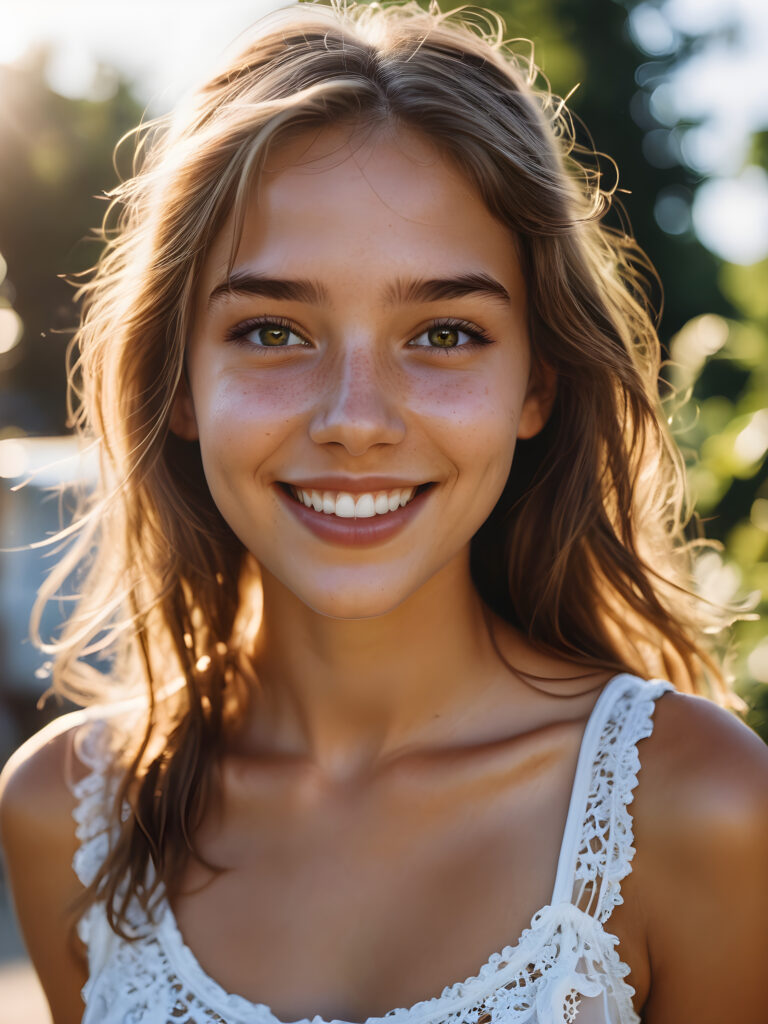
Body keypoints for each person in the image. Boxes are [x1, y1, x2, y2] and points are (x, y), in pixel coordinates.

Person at [1, 2, 767, 1021]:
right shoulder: (69, 811)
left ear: (537, 383)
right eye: (273, 329)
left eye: (445, 333)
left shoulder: (699, 805)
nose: (355, 420)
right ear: (177, 382)